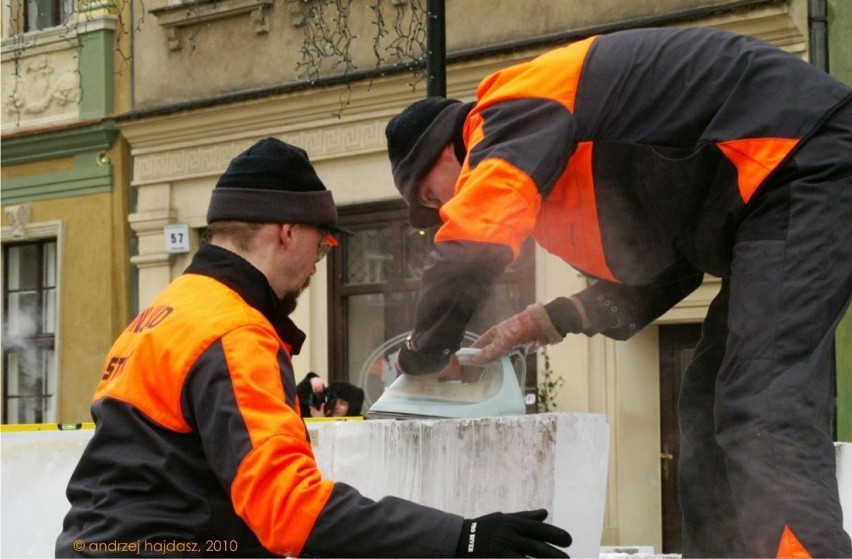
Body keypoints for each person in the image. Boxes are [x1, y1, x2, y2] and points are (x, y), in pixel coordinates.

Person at [384, 27, 851, 558]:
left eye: (429, 192)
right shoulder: (559, 177)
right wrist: (538, 322)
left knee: (761, 401)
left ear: (451, 145)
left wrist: (422, 355)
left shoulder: (512, 107)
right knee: (706, 402)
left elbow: (471, 242)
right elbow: (667, 273)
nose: (441, 206)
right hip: (764, 202)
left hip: (801, 153)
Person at [55, 138, 572, 558]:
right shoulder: (234, 333)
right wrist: (460, 538)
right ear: (287, 232)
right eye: (323, 243)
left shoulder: (166, 312)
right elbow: (289, 510)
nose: (319, 261)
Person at [297, 372, 366, 417]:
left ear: (351, 407)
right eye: (334, 400)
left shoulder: (361, 425)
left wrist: (320, 422)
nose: (336, 406)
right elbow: (293, 398)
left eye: (342, 403)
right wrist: (311, 381)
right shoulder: (317, 412)